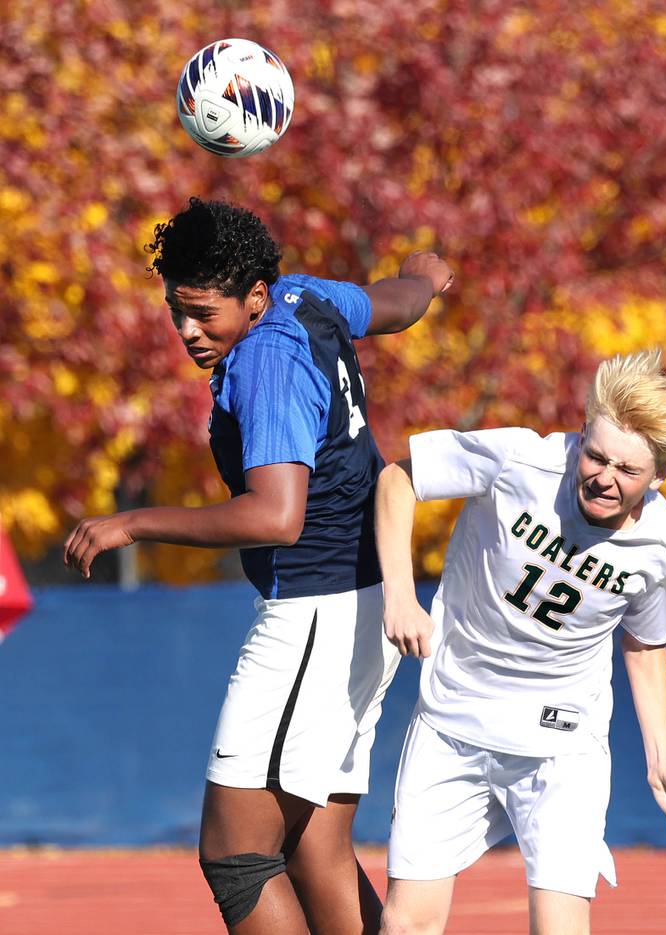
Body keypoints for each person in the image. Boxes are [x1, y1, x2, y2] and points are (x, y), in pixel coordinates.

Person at [63, 196, 454, 935]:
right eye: (176, 311)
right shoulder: (306, 293)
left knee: (236, 854)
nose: (186, 331)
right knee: (316, 849)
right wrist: (425, 279)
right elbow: (394, 306)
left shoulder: (265, 361)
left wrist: (132, 522)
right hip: (358, 602)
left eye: (202, 313)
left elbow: (277, 515)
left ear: (253, 296)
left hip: (317, 613)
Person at [374, 349, 666, 935]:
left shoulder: (665, 544)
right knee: (406, 926)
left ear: (659, 476)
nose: (603, 478)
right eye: (596, 455)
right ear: (580, 437)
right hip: (455, 722)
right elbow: (399, 478)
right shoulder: (519, 459)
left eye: (627, 471)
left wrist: (664, 761)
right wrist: (400, 595)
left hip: (562, 747)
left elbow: (645, 643)